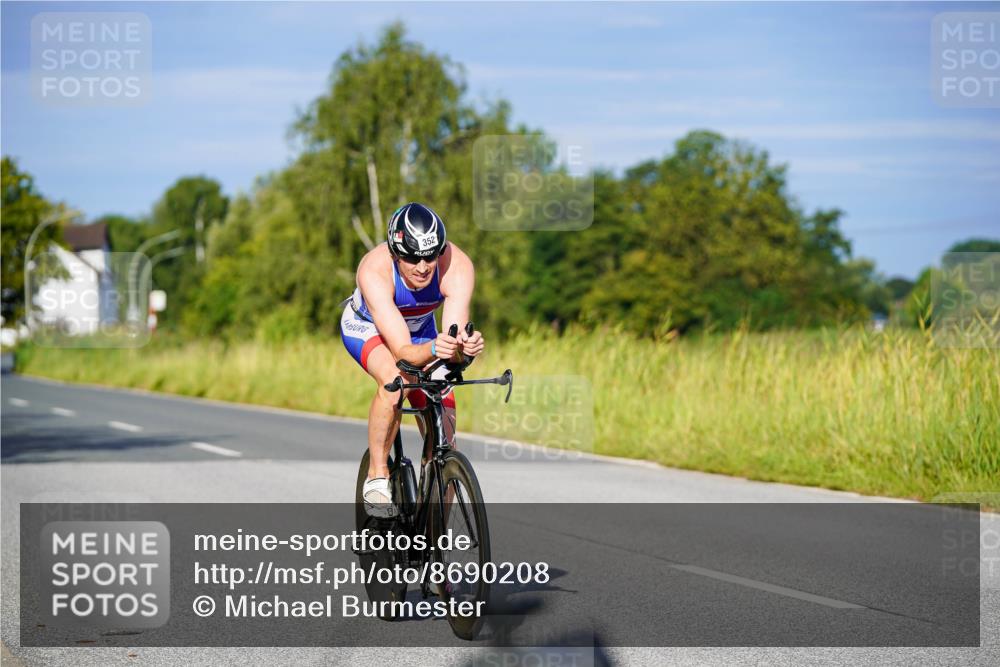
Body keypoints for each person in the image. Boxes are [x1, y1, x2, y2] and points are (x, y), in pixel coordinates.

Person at [340, 202, 484, 517]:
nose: (422, 267)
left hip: (422, 332)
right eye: (411, 258)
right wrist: (436, 349)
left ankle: (433, 532)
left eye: (430, 256)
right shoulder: (374, 270)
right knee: (394, 382)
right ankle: (378, 475)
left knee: (443, 416)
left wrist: (464, 349)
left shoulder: (457, 267)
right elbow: (403, 352)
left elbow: (452, 338)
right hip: (369, 329)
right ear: (395, 253)